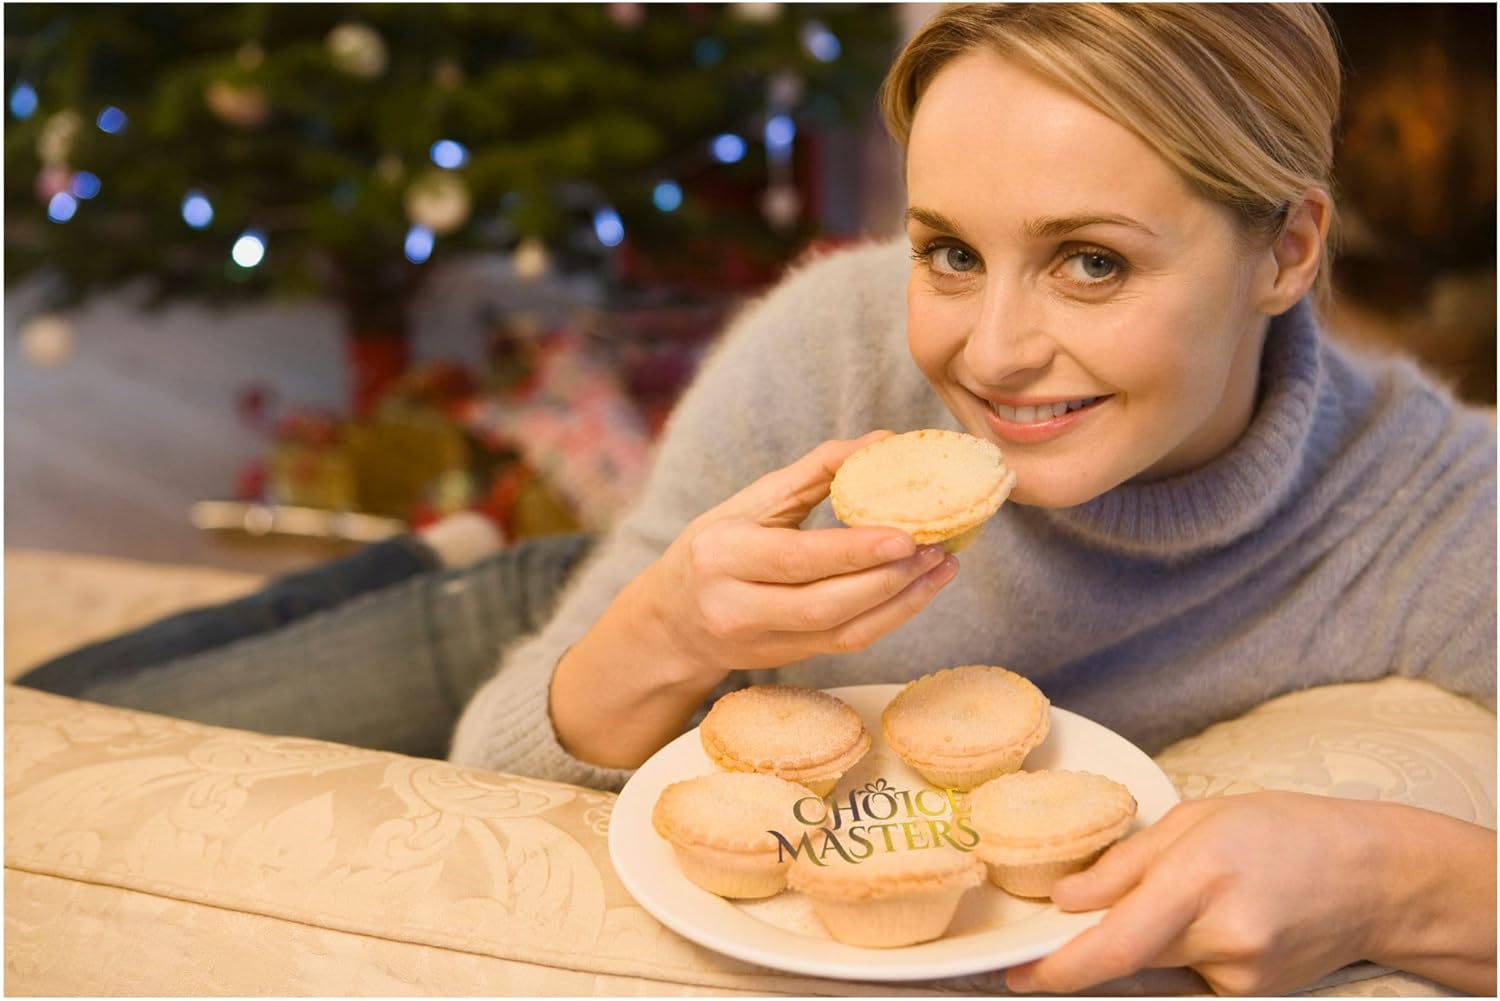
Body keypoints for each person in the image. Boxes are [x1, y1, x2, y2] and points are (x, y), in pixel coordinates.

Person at [17, 4, 1494, 995]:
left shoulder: (1428, 512)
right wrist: (664, 630)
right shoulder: (838, 343)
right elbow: (493, 757)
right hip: (544, 616)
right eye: (949, 251)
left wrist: (1394, 875)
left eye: (1092, 260)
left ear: (1287, 248)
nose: (987, 351)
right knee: (40, 734)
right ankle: (436, 558)